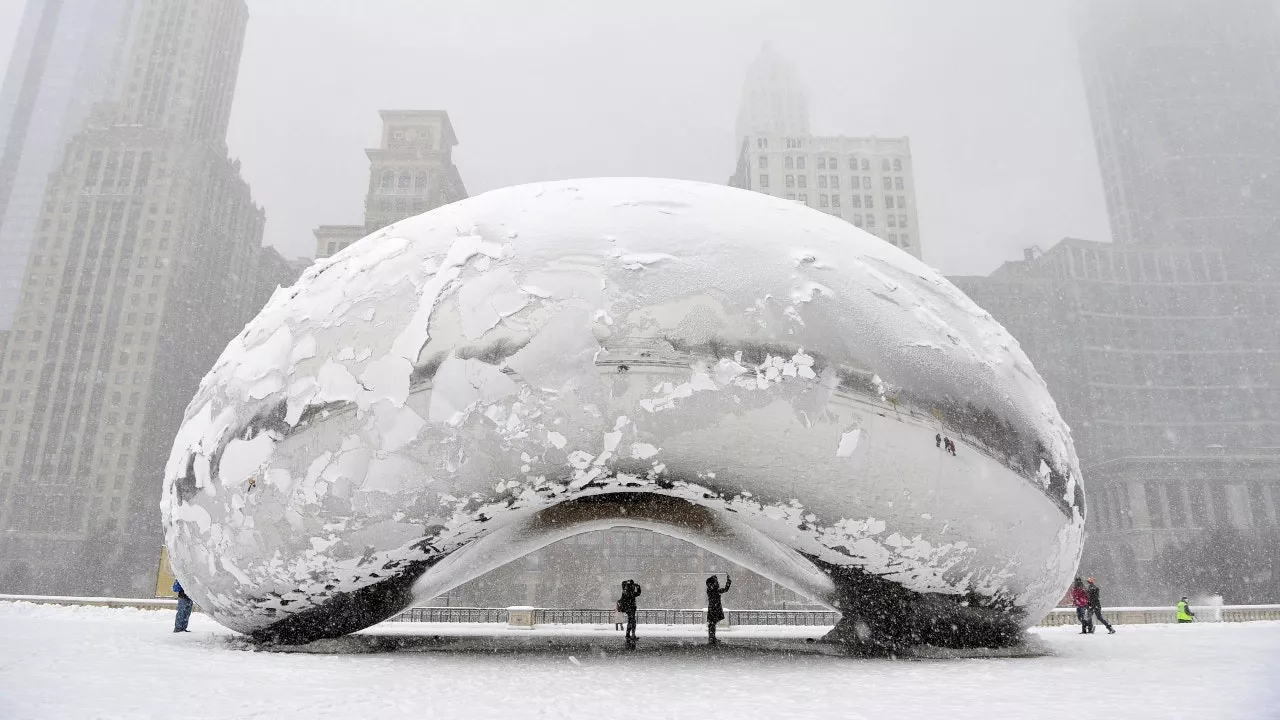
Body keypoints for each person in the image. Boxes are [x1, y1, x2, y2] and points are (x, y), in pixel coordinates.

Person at [705, 574, 732, 644]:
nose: (717, 582)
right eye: (716, 581)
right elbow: (725, 589)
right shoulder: (714, 590)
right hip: (715, 608)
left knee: (712, 624)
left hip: (712, 608)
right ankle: (712, 639)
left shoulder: (710, 589)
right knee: (712, 624)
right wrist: (728, 581)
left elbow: (723, 590)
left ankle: (712, 638)